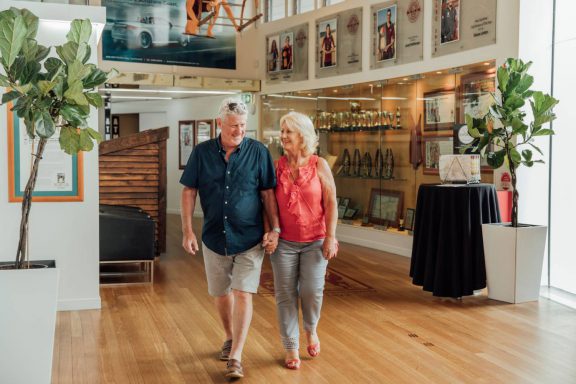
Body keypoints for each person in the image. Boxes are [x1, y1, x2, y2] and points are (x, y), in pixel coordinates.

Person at [180, 98, 281, 379]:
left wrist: (275, 229)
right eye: (234, 126)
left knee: (243, 293)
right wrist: (188, 231)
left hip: (249, 237)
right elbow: (189, 191)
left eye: (243, 126)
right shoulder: (201, 153)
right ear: (219, 124)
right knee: (221, 293)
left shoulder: (258, 152)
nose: (239, 131)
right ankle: (228, 336)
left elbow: (268, 194)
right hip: (213, 236)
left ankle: (236, 354)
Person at [265, 112, 338, 370]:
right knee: (285, 295)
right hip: (283, 242)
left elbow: (331, 203)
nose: (283, 136)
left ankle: (311, 328)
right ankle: (291, 347)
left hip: (315, 241)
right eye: (282, 131)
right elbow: (267, 203)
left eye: (288, 132)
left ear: (303, 136)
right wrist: (270, 231)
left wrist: (330, 237)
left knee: (311, 291)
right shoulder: (275, 166)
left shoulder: (319, 165)